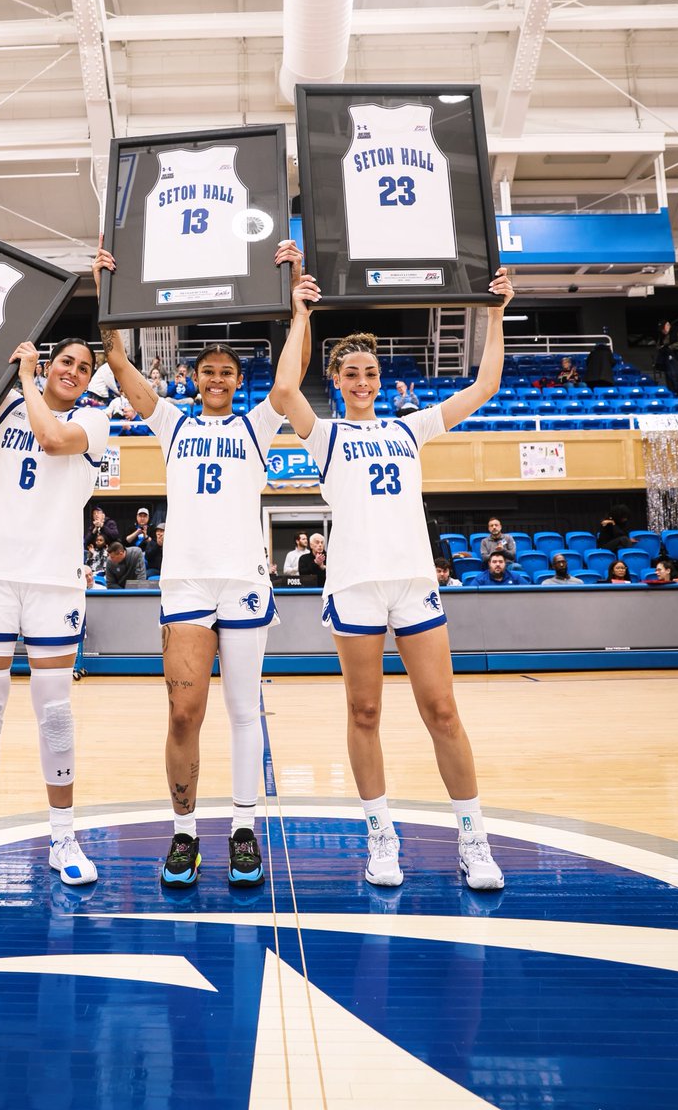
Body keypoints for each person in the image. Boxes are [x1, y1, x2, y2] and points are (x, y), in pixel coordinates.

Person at [272, 262, 515, 892]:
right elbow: (281, 394)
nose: (361, 381)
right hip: (355, 585)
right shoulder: (322, 435)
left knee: (441, 709)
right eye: (350, 374)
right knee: (365, 709)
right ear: (336, 381)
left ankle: (473, 836)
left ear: (382, 380)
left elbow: (485, 385)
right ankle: (380, 832)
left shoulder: (412, 427)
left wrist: (495, 310)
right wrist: (300, 313)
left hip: (412, 582)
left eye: (370, 373)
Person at [95, 238, 307, 889]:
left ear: (237, 383)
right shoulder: (174, 425)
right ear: (195, 379)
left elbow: (289, 382)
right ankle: (184, 835)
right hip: (186, 581)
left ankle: (243, 830)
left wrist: (299, 305)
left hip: (242, 580)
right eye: (207, 372)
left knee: (245, 711)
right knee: (184, 713)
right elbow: (121, 366)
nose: (216, 380)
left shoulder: (255, 427)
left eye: (226, 373)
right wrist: (105, 291)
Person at [0, 336, 108, 897]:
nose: (73, 371)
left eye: (84, 367)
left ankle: (62, 838)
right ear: (49, 364)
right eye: (65, 361)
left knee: (56, 713)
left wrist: (27, 380)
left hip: (53, 581)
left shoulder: (96, 421)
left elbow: (50, 436)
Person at [654, 320, 678, 394]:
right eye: (661, 329)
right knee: (670, 377)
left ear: (668, 325)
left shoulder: (677, 331)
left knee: (676, 376)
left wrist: (670, 347)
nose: (663, 331)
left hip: (677, 357)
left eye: (663, 328)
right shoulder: (662, 336)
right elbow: (659, 346)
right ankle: (673, 392)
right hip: (668, 360)